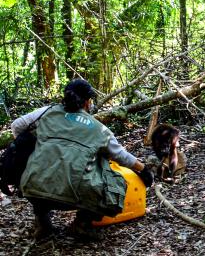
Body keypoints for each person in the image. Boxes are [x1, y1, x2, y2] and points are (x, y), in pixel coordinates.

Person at [11, 78, 153, 241]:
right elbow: (121, 156)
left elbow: (16, 126)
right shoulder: (99, 129)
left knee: (36, 166)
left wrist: (38, 144)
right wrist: (143, 169)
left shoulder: (46, 113)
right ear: (87, 102)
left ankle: (43, 222)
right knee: (109, 173)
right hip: (74, 196)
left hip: (35, 189)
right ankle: (82, 223)